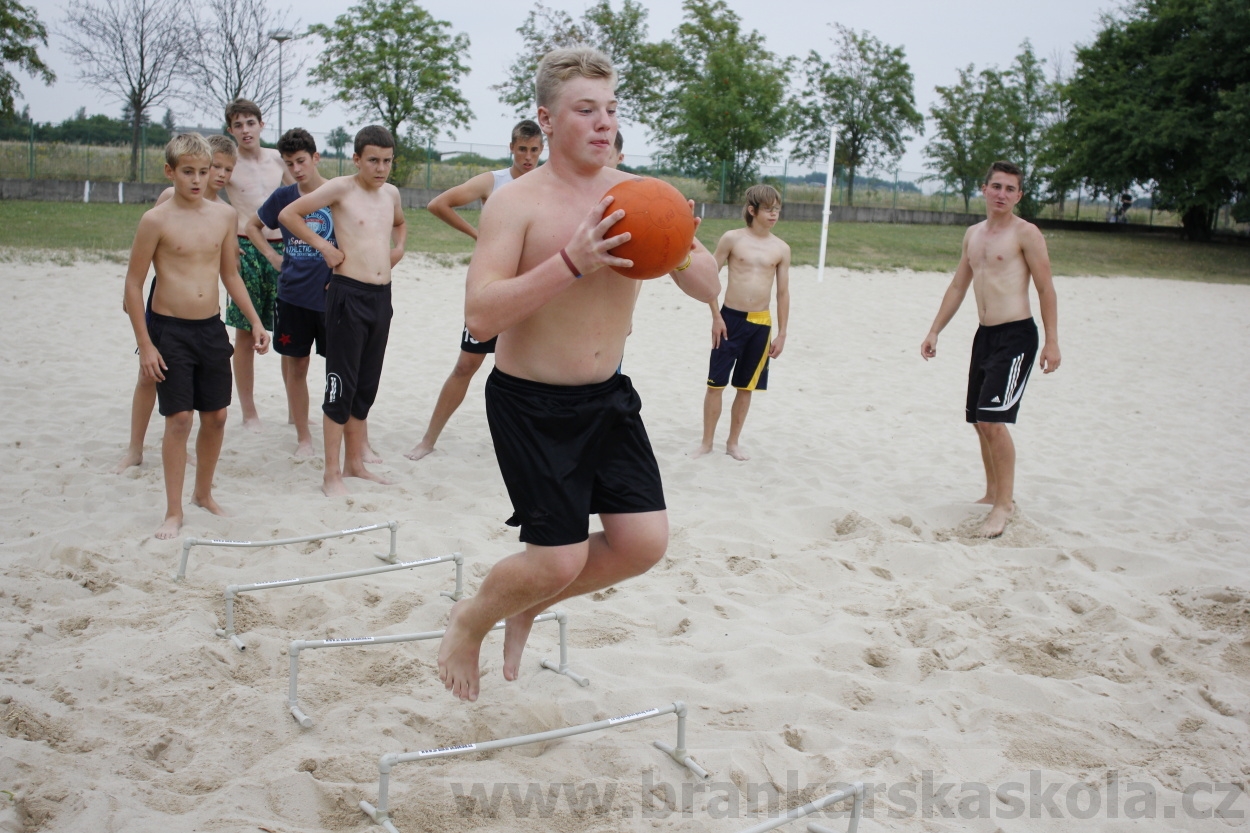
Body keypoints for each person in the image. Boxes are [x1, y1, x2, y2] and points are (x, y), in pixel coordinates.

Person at [437, 47, 721, 702]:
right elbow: (480, 315)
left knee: (644, 541)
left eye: (612, 109)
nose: (603, 122)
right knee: (555, 557)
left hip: (609, 397)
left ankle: (532, 601)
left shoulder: (644, 196)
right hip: (529, 403)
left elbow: (707, 283)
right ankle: (471, 618)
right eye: (585, 110)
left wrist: (681, 247)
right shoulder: (517, 203)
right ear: (547, 117)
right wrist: (572, 260)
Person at [123, 133, 270, 539]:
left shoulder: (223, 217)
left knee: (218, 417)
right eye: (188, 172)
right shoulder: (156, 219)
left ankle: (203, 494)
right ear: (170, 172)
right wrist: (147, 345)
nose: (197, 180)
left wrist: (256, 321)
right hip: (170, 329)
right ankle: (173, 511)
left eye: (203, 172)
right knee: (179, 419)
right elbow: (133, 286)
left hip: (210, 327)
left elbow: (230, 274)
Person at [920, 160, 1061, 538]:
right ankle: (992, 492)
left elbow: (1046, 288)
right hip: (984, 336)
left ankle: (1004, 505)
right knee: (979, 420)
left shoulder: (1026, 234)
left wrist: (1052, 340)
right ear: (984, 189)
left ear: (1019, 195)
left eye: (1010, 189)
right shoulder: (973, 235)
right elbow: (957, 287)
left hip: (1016, 336)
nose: (1002, 194)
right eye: (996, 186)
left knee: (992, 421)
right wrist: (935, 330)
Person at [404, 120, 544, 461]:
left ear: (542, 150)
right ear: (511, 148)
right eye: (522, 149)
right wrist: (478, 235)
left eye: (535, 150)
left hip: (532, 291)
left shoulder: (550, 185)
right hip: (492, 290)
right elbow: (439, 204)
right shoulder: (493, 182)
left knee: (535, 373)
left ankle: (532, 449)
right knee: (466, 366)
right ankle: (428, 440)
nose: (528, 157)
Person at [278, 125, 406, 497]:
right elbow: (289, 214)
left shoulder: (391, 193)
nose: (380, 168)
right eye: (373, 161)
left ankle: (355, 463)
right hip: (347, 295)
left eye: (386, 161)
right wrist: (323, 246)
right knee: (340, 385)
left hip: (381, 298)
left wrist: (398, 248)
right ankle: (330, 474)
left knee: (366, 385)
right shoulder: (340, 188)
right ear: (356, 159)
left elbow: (399, 223)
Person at [115, 133, 238, 473]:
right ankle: (135, 448)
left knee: (201, 404)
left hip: (204, 318)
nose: (219, 175)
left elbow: (226, 271)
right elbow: (147, 260)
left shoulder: (224, 213)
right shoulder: (170, 199)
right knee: (148, 374)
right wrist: (134, 308)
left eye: (227, 169)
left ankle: (184, 451)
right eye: (217, 167)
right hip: (166, 306)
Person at [246, 128, 334, 457]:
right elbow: (253, 225)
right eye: (289, 163)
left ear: (315, 157)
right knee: (296, 367)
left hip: (331, 298)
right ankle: (303, 437)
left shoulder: (336, 192)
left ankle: (342, 432)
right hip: (293, 296)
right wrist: (271, 255)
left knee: (337, 367)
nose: (296, 169)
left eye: (301, 161)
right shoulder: (284, 197)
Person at [694, 184, 790, 461]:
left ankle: (732, 443)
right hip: (729, 320)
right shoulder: (732, 239)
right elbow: (709, 277)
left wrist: (783, 333)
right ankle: (706, 442)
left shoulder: (781, 248)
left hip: (761, 324)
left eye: (777, 210)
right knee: (715, 384)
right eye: (769, 209)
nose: (775, 214)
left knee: (746, 387)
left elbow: (783, 293)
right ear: (752, 210)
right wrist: (715, 316)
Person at [223, 98, 292, 431]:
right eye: (238, 125)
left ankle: (295, 409)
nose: (245, 130)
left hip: (284, 248)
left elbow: (302, 193)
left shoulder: (279, 159)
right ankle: (249, 412)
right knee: (246, 333)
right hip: (246, 249)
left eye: (250, 123)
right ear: (230, 130)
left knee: (291, 332)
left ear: (261, 124)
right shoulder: (228, 164)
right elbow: (208, 198)